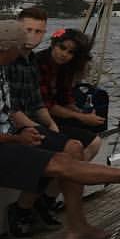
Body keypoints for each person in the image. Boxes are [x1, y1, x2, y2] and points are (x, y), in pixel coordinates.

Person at [0, 20, 120, 239]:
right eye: (19, 46)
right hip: (7, 141)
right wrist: (18, 137)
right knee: (61, 164)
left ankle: (77, 225)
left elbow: (12, 109)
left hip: (14, 133)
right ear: (8, 48)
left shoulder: (7, 69)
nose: (24, 49)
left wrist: (28, 129)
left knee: (72, 147)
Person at [35, 28, 105, 161]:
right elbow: (46, 104)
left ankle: (69, 176)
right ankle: (71, 175)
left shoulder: (65, 68)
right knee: (82, 145)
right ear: (54, 44)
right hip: (38, 118)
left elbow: (65, 98)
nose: (64, 54)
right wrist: (80, 117)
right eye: (62, 48)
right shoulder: (38, 63)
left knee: (94, 142)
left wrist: (83, 114)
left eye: (71, 52)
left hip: (53, 118)